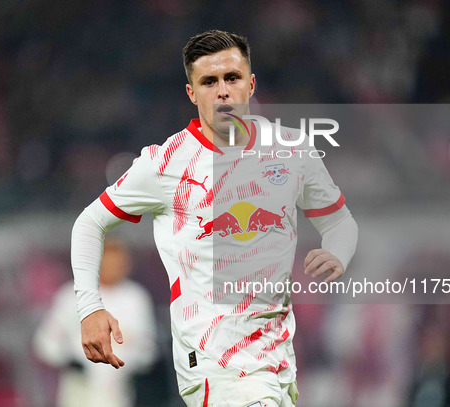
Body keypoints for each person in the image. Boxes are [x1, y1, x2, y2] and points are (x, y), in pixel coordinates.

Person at [72, 30, 358, 406]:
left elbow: (339, 222)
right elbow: (90, 223)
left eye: (232, 78)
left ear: (251, 84)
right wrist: (90, 306)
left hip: (277, 364)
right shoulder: (165, 163)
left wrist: (336, 252)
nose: (222, 90)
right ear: (192, 93)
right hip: (216, 365)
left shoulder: (292, 150)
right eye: (209, 81)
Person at [34, 239, 157, 407]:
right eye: (109, 261)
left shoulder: (135, 298)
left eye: (119, 262)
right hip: (79, 391)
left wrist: (128, 365)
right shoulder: (73, 296)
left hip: (119, 391)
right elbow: (45, 342)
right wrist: (71, 361)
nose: (114, 267)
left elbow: (147, 349)